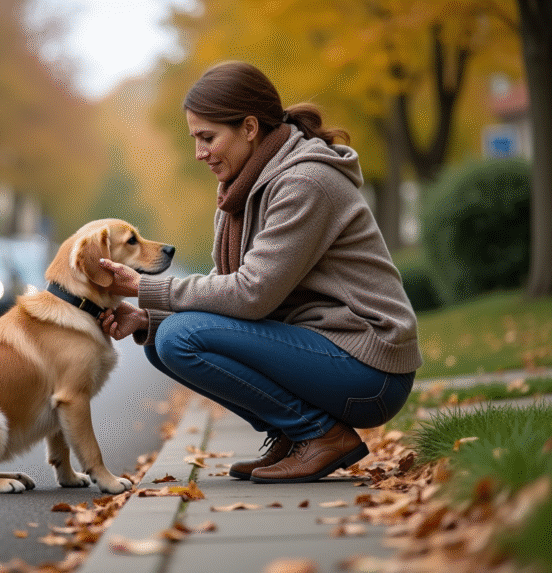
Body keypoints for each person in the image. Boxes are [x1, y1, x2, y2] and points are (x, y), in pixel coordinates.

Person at [98, 61, 422, 484]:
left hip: (370, 367)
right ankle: (292, 434)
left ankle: (320, 435)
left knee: (182, 337)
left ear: (250, 127)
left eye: (208, 138)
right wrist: (148, 318)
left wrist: (145, 288)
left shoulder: (305, 184)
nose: (200, 153)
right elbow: (224, 291)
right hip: (326, 351)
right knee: (162, 337)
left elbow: (251, 294)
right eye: (195, 139)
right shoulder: (242, 189)